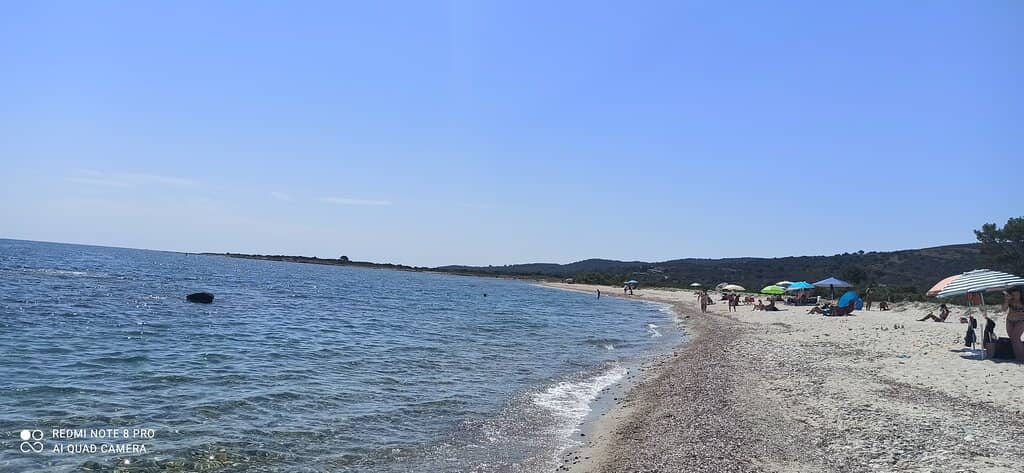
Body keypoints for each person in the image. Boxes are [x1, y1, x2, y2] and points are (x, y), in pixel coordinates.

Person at [1003, 286, 1024, 361]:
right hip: (1010, 320)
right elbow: (1004, 309)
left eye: (1016, 295)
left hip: (1021, 321)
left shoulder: (1022, 301)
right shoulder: (1010, 300)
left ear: (1020, 294)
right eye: (1013, 295)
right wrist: (1006, 300)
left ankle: (1021, 357)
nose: (1015, 297)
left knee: (1016, 338)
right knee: (1012, 339)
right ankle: (1017, 356)